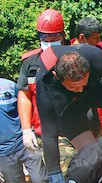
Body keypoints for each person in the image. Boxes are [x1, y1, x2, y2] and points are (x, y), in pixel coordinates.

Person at [35, 44, 102, 183]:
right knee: (96, 156)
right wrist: (54, 175)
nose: (79, 89)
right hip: (70, 110)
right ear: (57, 76)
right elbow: (49, 132)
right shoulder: (45, 80)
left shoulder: (97, 57)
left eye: (82, 83)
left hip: (95, 92)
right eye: (74, 86)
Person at [17, 9, 67, 153]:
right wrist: (26, 130)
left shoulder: (74, 58)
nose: (50, 44)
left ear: (63, 36)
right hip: (46, 132)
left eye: (54, 40)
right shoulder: (30, 64)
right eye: (45, 40)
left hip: (77, 127)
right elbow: (24, 96)